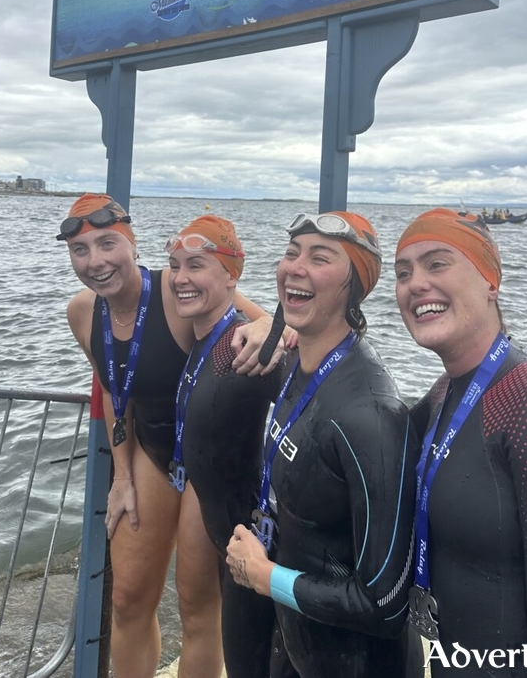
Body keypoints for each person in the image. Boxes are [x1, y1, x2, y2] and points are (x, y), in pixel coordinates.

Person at [60, 194, 284, 678]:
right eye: (80, 251)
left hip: (208, 462)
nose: (95, 262)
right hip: (151, 452)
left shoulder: (175, 290)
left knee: (196, 607)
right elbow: (114, 389)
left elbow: (265, 321)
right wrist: (121, 475)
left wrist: (267, 321)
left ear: (132, 243)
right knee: (127, 599)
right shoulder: (81, 313)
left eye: (107, 244)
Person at [393, 207, 527, 676]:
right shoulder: (441, 396)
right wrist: (278, 331)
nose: (415, 283)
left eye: (437, 263)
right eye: (403, 272)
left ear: (491, 281)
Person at [226, 211, 418, 678]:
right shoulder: (299, 362)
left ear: (352, 286)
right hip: (300, 645)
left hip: (361, 664)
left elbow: (385, 605)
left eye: (320, 257)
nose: (296, 266)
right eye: (291, 253)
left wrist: (267, 577)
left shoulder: (371, 417)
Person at [166, 214, 291, 678]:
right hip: (234, 545)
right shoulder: (206, 341)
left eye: (196, 265)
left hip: (259, 549)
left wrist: (279, 330)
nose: (180, 278)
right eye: (175, 265)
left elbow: (327, 379)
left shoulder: (244, 346)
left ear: (231, 277)